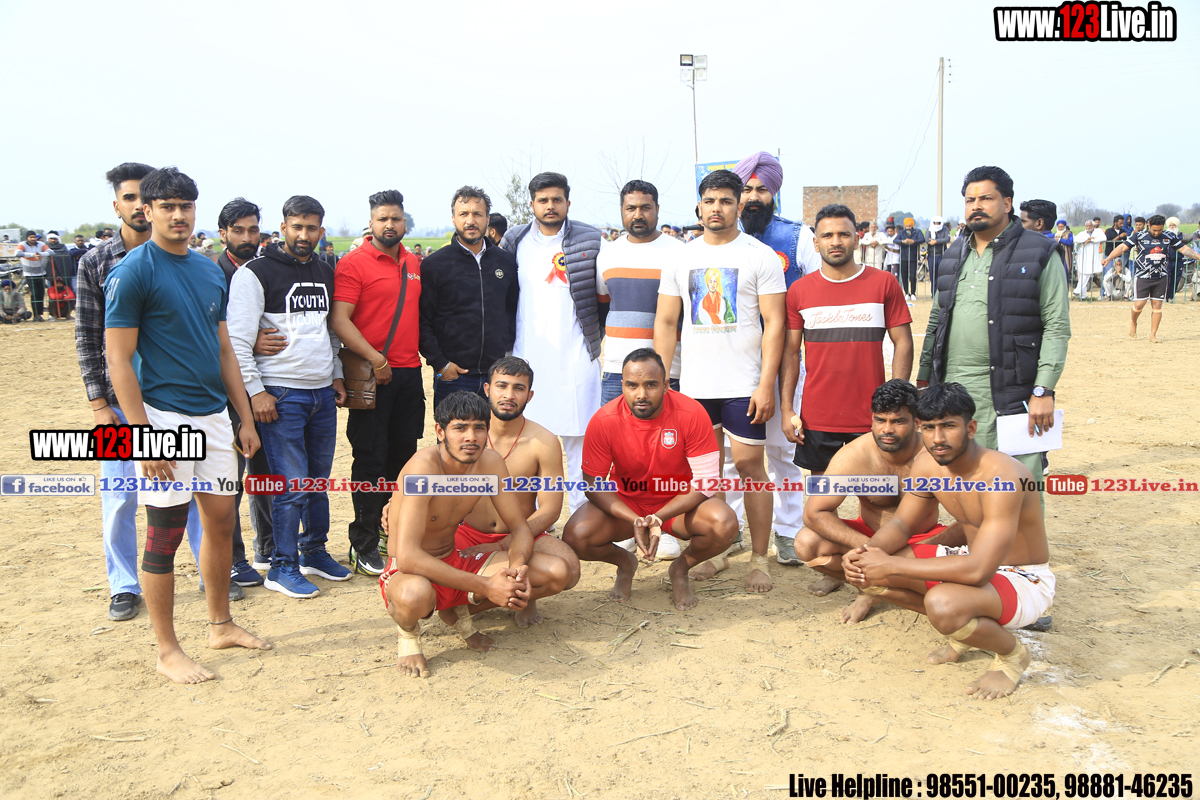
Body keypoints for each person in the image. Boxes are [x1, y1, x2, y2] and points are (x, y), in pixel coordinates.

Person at [104, 167, 270, 683]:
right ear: (148, 211)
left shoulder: (208, 270)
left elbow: (224, 350)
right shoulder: (133, 272)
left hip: (214, 416)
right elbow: (117, 360)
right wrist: (142, 438)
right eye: (167, 206)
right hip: (162, 417)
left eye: (186, 206)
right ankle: (168, 650)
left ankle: (220, 624)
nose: (178, 215)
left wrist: (244, 417)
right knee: (165, 533)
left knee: (221, 521)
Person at [843, 383, 1055, 700]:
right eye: (929, 428)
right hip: (972, 559)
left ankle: (1013, 656)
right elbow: (902, 524)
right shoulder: (927, 465)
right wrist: (866, 553)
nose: (938, 438)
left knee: (942, 605)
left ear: (971, 428)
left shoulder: (1003, 476)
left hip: (1022, 577)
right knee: (868, 572)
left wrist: (890, 564)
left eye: (948, 426)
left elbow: (978, 570)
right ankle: (964, 632)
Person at [76, 162, 212, 621]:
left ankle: (208, 572)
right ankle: (124, 585)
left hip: (176, 401)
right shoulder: (97, 263)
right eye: (129, 198)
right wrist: (99, 405)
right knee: (120, 495)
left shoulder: (189, 260)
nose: (138, 206)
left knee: (190, 491)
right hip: (119, 406)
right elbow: (88, 338)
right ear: (118, 206)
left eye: (143, 197)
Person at [653, 169, 785, 593]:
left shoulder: (760, 256)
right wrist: (661, 380)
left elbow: (775, 323)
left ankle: (760, 558)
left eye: (726, 201)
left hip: (744, 384)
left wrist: (765, 384)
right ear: (699, 206)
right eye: (710, 201)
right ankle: (718, 551)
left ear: (738, 206)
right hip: (695, 386)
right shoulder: (680, 257)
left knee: (749, 467)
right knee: (707, 474)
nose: (717, 208)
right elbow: (666, 322)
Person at [380, 392, 570, 678]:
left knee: (556, 572)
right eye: (460, 428)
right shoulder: (423, 469)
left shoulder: (489, 464)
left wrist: (516, 569)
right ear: (440, 431)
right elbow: (407, 557)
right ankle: (408, 633)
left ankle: (458, 613)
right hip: (411, 572)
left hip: (454, 559)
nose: (471, 437)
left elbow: (519, 527)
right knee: (414, 594)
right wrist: (486, 585)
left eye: (479, 428)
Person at [918, 165, 1070, 491]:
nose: (976, 206)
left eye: (986, 198)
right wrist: (924, 379)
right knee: (966, 486)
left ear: (1007, 203)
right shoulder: (954, 253)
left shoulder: (1039, 251)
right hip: (956, 391)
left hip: (1014, 392)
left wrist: (1043, 390)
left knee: (1020, 487)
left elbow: (1056, 325)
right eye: (970, 200)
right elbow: (936, 320)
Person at [229, 195, 350, 599]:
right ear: (283, 228)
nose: (304, 234)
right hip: (281, 394)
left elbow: (330, 331)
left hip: (321, 393)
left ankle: (313, 550)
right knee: (292, 485)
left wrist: (335, 375)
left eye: (311, 227)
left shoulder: (325, 270)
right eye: (297, 226)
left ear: (321, 230)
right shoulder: (255, 273)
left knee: (317, 482)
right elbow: (237, 341)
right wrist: (256, 391)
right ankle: (282, 565)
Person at [563, 349, 738, 610]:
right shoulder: (604, 420)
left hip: (678, 504)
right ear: (622, 385)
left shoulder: (692, 413)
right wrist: (635, 519)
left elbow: (707, 482)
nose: (641, 394)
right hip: (627, 503)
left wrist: (659, 517)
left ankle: (680, 569)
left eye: (651, 385)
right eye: (632, 385)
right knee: (577, 536)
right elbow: (592, 485)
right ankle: (625, 563)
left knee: (724, 523)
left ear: (666, 385)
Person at [794, 380, 962, 620]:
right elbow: (814, 512)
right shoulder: (855, 455)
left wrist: (902, 555)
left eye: (898, 421)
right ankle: (871, 584)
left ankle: (876, 587)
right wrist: (871, 551)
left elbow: (970, 521)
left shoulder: (935, 455)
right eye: (880, 420)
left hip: (922, 542)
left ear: (916, 422)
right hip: (869, 538)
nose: (887, 429)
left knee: (975, 553)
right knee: (806, 542)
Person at [728, 151, 822, 567]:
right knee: (733, 456)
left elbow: (819, 293)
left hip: (786, 366)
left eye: (761, 190)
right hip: (733, 364)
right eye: (746, 189)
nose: (752, 197)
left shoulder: (798, 238)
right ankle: (731, 528)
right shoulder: (720, 238)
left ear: (775, 193)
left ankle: (788, 531)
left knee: (784, 451)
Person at [436, 357, 580, 625]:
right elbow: (433, 481)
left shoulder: (544, 441)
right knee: (425, 568)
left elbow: (550, 509)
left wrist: (504, 543)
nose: (509, 395)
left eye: (518, 388)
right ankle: (473, 595)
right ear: (487, 389)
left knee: (568, 569)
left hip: (523, 530)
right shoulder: (465, 434)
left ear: (530, 395)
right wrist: (395, 504)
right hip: (467, 532)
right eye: (502, 386)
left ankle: (474, 608)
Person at [780, 203, 913, 478]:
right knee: (821, 495)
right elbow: (791, 353)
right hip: (817, 417)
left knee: (877, 495)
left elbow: (903, 342)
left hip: (873, 414)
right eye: (827, 235)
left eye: (844, 234)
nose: (836, 242)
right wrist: (786, 409)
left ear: (857, 239)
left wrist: (897, 400)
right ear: (816, 243)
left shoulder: (884, 283)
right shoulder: (798, 291)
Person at [331, 190, 424, 576]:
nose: (390, 224)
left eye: (396, 218)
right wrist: (376, 359)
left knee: (403, 459)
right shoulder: (353, 263)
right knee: (370, 460)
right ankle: (363, 543)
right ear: (371, 223)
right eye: (382, 218)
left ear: (404, 223)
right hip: (373, 375)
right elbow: (340, 319)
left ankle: (392, 534)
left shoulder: (413, 262)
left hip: (410, 374)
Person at [500, 172, 604, 515]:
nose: (550, 206)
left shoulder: (591, 239)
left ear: (568, 203)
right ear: (532, 204)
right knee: (528, 442)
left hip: (576, 356)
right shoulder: (515, 241)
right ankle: (530, 521)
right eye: (543, 200)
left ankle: (581, 521)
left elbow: (604, 295)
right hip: (527, 355)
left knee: (579, 443)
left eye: (557, 199)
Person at [216, 197, 276, 580]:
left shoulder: (267, 270)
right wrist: (249, 340)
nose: (247, 237)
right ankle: (233, 559)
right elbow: (209, 333)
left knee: (265, 473)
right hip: (222, 391)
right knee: (229, 478)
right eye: (238, 230)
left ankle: (267, 548)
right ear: (223, 233)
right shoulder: (211, 274)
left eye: (253, 229)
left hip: (263, 384)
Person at [419, 186, 519, 408]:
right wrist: (441, 364)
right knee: (454, 431)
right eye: (463, 214)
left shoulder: (505, 262)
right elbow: (422, 320)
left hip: (497, 376)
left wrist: (506, 351)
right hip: (454, 377)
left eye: (477, 214)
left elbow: (512, 310)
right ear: (454, 219)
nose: (470, 221)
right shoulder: (435, 265)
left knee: (496, 432)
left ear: (487, 220)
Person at [595, 180, 682, 405]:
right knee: (615, 428)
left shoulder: (681, 253)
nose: (638, 215)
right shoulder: (607, 255)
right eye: (631, 208)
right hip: (617, 371)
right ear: (621, 211)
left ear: (657, 209)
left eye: (645, 208)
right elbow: (603, 306)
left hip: (668, 370)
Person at [1102, 214, 1200, 343]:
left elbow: (1184, 249)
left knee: (1157, 306)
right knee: (1139, 305)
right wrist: (1109, 258)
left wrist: (1198, 257)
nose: (1157, 233)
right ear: (1149, 225)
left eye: (1159, 230)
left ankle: (1153, 335)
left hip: (1161, 276)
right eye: (1154, 230)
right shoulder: (1139, 236)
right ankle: (1134, 322)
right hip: (1143, 276)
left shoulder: (1169, 236)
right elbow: (1122, 247)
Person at [16, 230, 49, 320]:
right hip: (29, 273)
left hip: (41, 273)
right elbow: (17, 253)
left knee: (41, 294)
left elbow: (50, 252)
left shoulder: (41, 244)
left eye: (34, 237)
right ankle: (35, 315)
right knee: (35, 293)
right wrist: (32, 255)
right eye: (31, 237)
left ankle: (39, 314)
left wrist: (40, 254)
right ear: (27, 238)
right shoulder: (22, 244)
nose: (33, 239)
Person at [1074, 220, 1106, 298]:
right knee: (1082, 274)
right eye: (1087, 226)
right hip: (1082, 256)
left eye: (1090, 226)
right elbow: (1075, 239)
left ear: (1093, 226)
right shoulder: (1082, 233)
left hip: (1092, 256)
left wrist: (1091, 240)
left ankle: (1078, 291)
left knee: (1087, 272)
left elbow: (1104, 238)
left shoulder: (1098, 232)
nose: (1088, 227)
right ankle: (1083, 295)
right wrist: (1087, 238)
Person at [895, 218, 924, 303]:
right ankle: (907, 293)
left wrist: (913, 241)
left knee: (912, 276)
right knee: (904, 275)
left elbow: (922, 239)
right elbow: (895, 240)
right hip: (904, 257)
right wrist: (903, 241)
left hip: (913, 257)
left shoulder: (917, 231)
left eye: (910, 226)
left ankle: (913, 293)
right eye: (907, 226)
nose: (908, 227)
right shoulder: (901, 232)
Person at [926, 216, 951, 296]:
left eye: (938, 223)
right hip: (932, 255)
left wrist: (936, 241)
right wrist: (941, 242)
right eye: (935, 223)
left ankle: (941, 293)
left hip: (942, 255)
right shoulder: (929, 229)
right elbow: (927, 239)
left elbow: (947, 239)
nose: (937, 225)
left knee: (942, 275)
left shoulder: (945, 229)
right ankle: (934, 293)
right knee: (933, 275)